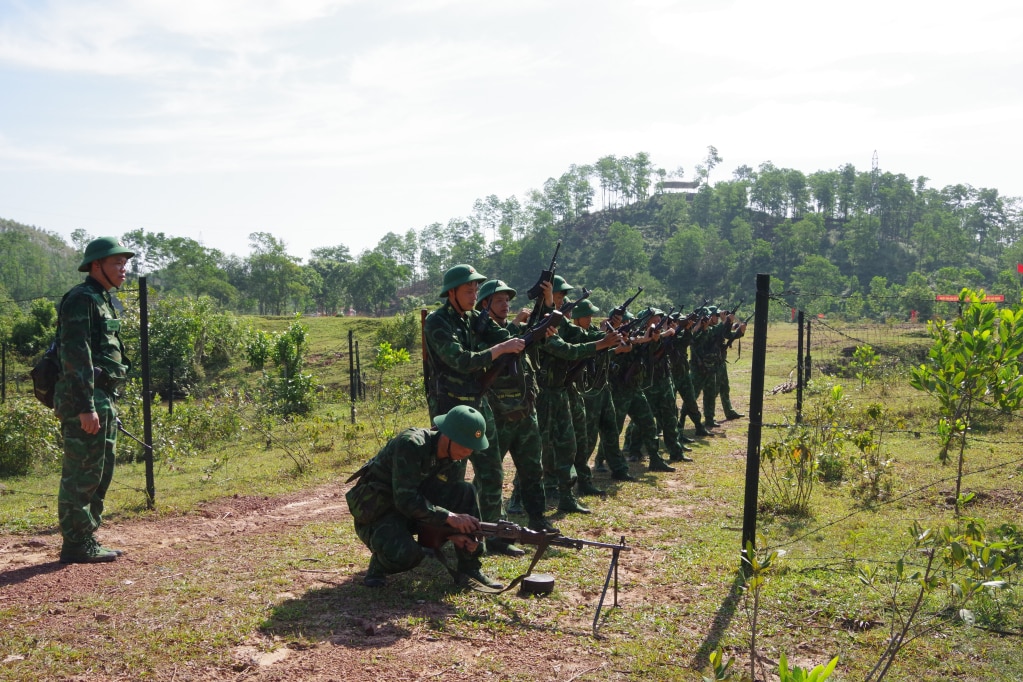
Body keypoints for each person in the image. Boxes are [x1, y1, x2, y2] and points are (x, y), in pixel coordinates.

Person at [423, 264, 526, 556]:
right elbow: (459, 359)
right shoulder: (438, 322)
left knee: (491, 470)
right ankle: (445, 536)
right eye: (468, 289)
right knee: (450, 477)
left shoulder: (471, 319)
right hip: (451, 408)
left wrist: (525, 334)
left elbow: (502, 334)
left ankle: (492, 535)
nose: (473, 294)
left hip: (477, 403)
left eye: (476, 289)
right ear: (451, 292)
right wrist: (499, 350)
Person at [345, 405, 502, 589]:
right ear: (448, 436)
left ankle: (470, 568)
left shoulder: (453, 458)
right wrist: (450, 518)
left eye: (472, 447)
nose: (469, 452)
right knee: (406, 555)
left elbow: (436, 503)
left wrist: (455, 534)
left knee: (464, 491)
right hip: (380, 512)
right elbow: (405, 500)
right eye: (465, 445)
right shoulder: (411, 444)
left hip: (415, 510)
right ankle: (378, 565)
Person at [55, 237, 135, 564]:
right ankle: (75, 543)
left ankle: (86, 538)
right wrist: (86, 406)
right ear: (95, 265)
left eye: (124, 263)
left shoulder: (102, 299)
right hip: (85, 399)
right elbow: (76, 355)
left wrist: (105, 403)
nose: (123, 269)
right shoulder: (81, 299)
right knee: (82, 472)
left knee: (100, 471)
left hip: (103, 396)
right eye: (116, 263)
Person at [475, 279, 559, 534]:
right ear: (484, 305)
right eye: (499, 300)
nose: (505, 304)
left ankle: (538, 519)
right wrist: (514, 328)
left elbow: (538, 330)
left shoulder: (519, 330)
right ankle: (491, 527)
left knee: (532, 470)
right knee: (490, 476)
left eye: (507, 300)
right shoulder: (481, 333)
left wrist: (547, 301)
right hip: (498, 415)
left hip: (524, 413)